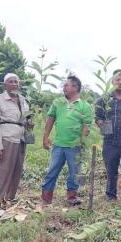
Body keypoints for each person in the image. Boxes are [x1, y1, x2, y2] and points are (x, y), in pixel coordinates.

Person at [41, 76, 94, 206]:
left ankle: (72, 196)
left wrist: (82, 142)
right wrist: (45, 136)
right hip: (58, 144)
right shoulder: (58, 102)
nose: (64, 88)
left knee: (74, 172)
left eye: (66, 85)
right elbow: (50, 119)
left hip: (75, 146)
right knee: (52, 171)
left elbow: (86, 126)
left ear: (75, 88)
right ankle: (46, 198)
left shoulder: (85, 106)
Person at [95, 69, 121, 201]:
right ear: (112, 82)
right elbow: (98, 117)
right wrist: (101, 122)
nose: (120, 82)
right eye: (117, 80)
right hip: (110, 141)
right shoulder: (104, 100)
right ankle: (111, 196)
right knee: (111, 170)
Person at [0, 73, 31, 208]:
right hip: (6, 138)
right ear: (5, 85)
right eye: (10, 82)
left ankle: (10, 199)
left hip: (21, 139)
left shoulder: (23, 100)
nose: (14, 84)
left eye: (16, 82)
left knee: (17, 171)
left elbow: (25, 119)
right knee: (4, 172)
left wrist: (29, 124)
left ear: (19, 84)